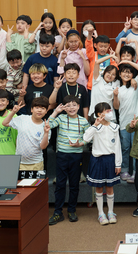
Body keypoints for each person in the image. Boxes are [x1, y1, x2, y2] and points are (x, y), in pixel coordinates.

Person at [47, 96, 91, 225]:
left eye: (74, 105)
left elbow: (89, 138)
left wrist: (80, 144)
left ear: (78, 106)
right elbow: (48, 125)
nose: (71, 108)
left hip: (76, 156)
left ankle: (72, 210)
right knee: (60, 184)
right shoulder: (60, 118)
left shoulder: (83, 121)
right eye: (68, 105)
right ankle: (57, 212)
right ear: (64, 107)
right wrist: (56, 111)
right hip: (62, 155)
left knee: (74, 185)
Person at [84, 102, 122, 226]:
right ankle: (101, 213)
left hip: (110, 160)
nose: (109, 113)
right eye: (107, 111)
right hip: (97, 160)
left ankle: (111, 212)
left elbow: (117, 147)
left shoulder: (114, 127)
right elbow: (85, 139)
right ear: (99, 114)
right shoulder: (95, 127)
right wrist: (95, 125)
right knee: (99, 188)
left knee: (110, 188)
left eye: (110, 110)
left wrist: (118, 164)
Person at [3, 96, 51, 172]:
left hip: (36, 163)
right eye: (37, 107)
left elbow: (43, 147)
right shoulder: (22, 119)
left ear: (46, 111)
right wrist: (13, 112)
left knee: (36, 184)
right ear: (31, 109)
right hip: (20, 162)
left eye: (43, 108)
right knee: (21, 184)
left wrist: (46, 133)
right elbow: (5, 123)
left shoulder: (46, 127)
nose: (39, 110)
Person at [115, 64, 138, 183]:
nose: (127, 74)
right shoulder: (118, 89)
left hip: (137, 123)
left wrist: (134, 79)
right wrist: (115, 96)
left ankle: (135, 172)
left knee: (135, 148)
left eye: (129, 72)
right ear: (119, 74)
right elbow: (116, 106)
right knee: (125, 148)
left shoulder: (136, 86)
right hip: (124, 122)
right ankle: (124, 170)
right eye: (124, 72)